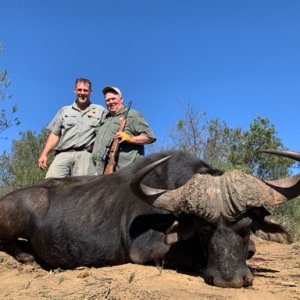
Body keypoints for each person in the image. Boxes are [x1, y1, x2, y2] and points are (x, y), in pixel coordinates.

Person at [38, 78, 105, 178]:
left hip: (85, 156)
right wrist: (44, 154)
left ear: (91, 92)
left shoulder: (100, 110)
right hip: (63, 154)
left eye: (85, 90)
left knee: (83, 189)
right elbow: (55, 134)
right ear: (75, 91)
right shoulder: (64, 111)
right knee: (50, 184)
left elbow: (110, 126)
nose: (82, 93)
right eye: (79, 90)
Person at [91, 86, 156, 175]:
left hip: (127, 172)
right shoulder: (105, 119)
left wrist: (130, 139)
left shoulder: (132, 114)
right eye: (107, 100)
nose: (111, 102)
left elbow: (150, 137)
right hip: (101, 171)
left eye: (113, 99)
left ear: (121, 99)